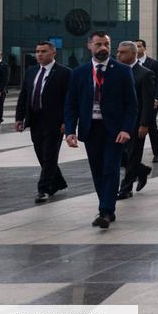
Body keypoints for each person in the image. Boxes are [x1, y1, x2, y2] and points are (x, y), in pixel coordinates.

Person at [64, 31, 138, 228]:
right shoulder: (79, 73)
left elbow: (132, 104)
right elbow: (71, 104)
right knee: (97, 170)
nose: (103, 48)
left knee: (110, 169)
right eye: (98, 44)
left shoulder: (122, 71)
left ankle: (106, 211)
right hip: (91, 128)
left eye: (106, 44)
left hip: (114, 130)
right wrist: (70, 130)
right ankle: (105, 207)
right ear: (89, 46)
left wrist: (126, 129)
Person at [15, 41, 72, 203]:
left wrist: (67, 122)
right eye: (37, 51)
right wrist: (20, 118)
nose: (39, 54)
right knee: (41, 153)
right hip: (35, 119)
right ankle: (58, 182)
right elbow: (24, 95)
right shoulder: (31, 71)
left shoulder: (64, 73)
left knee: (49, 155)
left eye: (43, 51)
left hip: (55, 122)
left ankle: (44, 188)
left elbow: (70, 100)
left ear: (53, 53)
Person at [116, 41, 155, 200]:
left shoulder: (144, 74)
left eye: (123, 52)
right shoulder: (115, 72)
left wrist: (144, 124)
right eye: (118, 52)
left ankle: (125, 188)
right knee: (119, 155)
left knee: (133, 154)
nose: (118, 55)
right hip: (118, 121)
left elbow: (147, 101)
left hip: (136, 122)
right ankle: (141, 170)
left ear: (134, 54)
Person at [134, 40, 158, 162]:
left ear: (145, 48)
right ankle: (133, 155)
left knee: (151, 126)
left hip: (151, 101)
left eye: (139, 46)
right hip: (135, 102)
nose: (137, 49)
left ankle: (157, 153)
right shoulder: (129, 64)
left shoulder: (153, 64)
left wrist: (156, 98)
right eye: (135, 47)